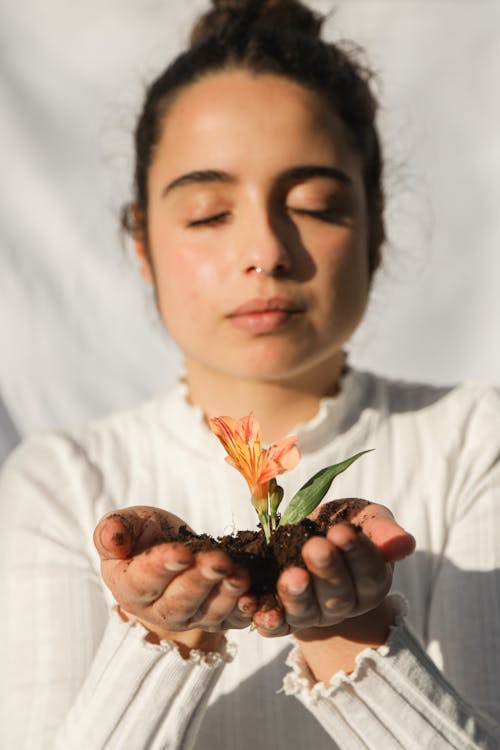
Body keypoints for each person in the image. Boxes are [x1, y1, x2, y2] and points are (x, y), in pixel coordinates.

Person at [1, 1, 499, 748]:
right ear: (141, 241)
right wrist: (163, 633)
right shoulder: (60, 483)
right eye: (208, 213)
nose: (265, 249)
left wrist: (352, 630)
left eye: (314, 204)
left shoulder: (476, 441)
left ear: (376, 228)